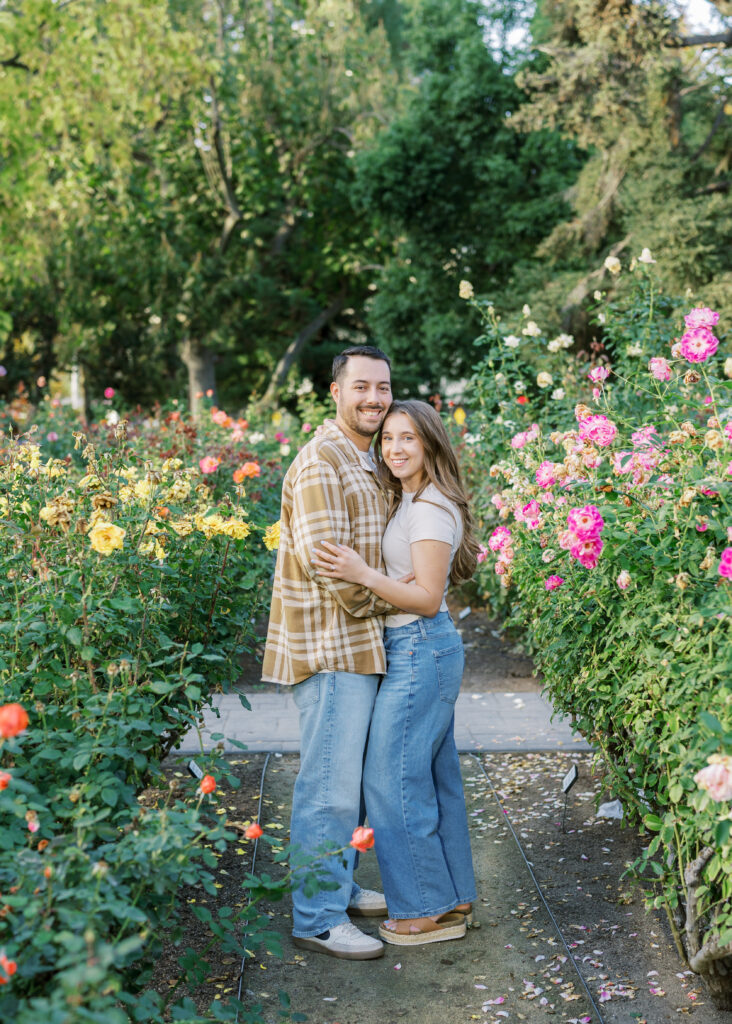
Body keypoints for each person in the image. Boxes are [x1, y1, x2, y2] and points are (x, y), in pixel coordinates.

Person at [312, 399, 479, 946]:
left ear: (430, 443)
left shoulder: (429, 509)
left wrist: (363, 573)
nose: (396, 448)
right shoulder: (412, 501)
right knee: (432, 779)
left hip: (420, 648)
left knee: (391, 781)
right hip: (418, 649)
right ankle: (451, 897)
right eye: (388, 439)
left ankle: (425, 908)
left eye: (408, 438)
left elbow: (427, 599)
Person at [262, 345, 395, 960]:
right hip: (331, 644)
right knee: (327, 787)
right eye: (361, 387)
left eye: (383, 388)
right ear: (334, 391)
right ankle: (317, 917)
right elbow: (330, 570)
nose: (374, 398)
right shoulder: (323, 462)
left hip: (357, 643)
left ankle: (336, 890)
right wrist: (395, 601)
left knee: (349, 785)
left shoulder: (361, 459)